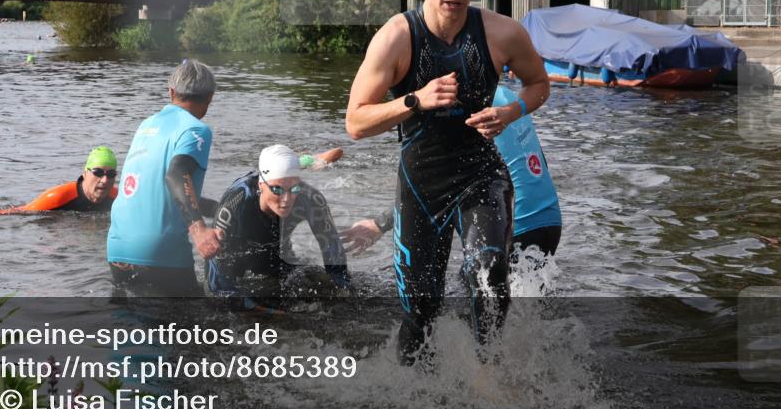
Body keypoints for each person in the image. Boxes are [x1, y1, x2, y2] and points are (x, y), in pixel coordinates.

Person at [344, 0, 549, 363]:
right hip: (422, 186)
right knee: (421, 310)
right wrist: (415, 101)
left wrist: (511, 113)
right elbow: (356, 122)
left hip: (481, 174)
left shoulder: (501, 33)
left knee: (489, 273)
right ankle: (411, 400)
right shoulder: (397, 37)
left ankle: (487, 377)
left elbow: (539, 83)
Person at [342, 86, 562, 265]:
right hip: (550, 219)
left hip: (515, 225)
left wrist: (379, 224)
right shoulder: (508, 96)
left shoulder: (467, 104)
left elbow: (441, 182)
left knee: (471, 310)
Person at [107, 60, 222, 297]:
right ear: (209, 98)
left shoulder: (146, 125)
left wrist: (216, 209)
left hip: (117, 250)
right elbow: (177, 175)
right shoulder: (196, 129)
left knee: (134, 328)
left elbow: (163, 190)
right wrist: (200, 230)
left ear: (171, 92)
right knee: (196, 331)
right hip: (160, 254)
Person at [206, 145, 351, 309]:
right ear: (261, 185)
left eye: (294, 188)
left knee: (316, 285)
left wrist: (344, 292)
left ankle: (313, 159)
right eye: (277, 189)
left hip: (278, 258)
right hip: (239, 264)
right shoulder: (237, 201)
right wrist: (256, 309)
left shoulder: (309, 198)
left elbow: (333, 251)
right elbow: (216, 284)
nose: (287, 199)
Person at [0, 147, 119, 218]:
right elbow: (20, 212)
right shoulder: (58, 196)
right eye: (98, 172)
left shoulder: (120, 198)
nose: (105, 180)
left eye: (111, 174)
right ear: (85, 173)